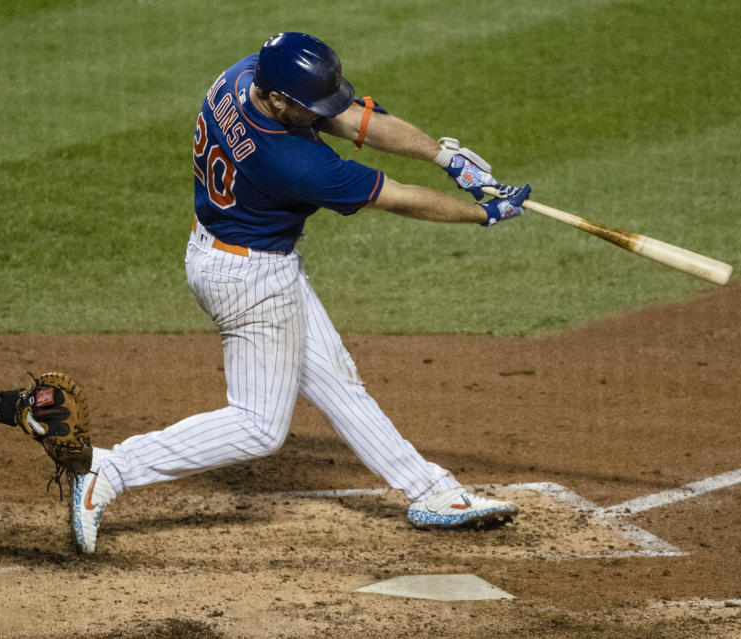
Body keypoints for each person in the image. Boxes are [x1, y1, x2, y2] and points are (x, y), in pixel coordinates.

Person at [69, 32, 530, 553]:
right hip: (251, 281)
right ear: (280, 100)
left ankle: (432, 491)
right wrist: (483, 213)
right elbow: (398, 199)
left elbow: (350, 117)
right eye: (309, 107)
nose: (320, 115)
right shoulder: (293, 163)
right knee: (259, 427)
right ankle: (110, 468)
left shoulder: (244, 75)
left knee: (337, 379)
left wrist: (444, 157)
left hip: (230, 255)